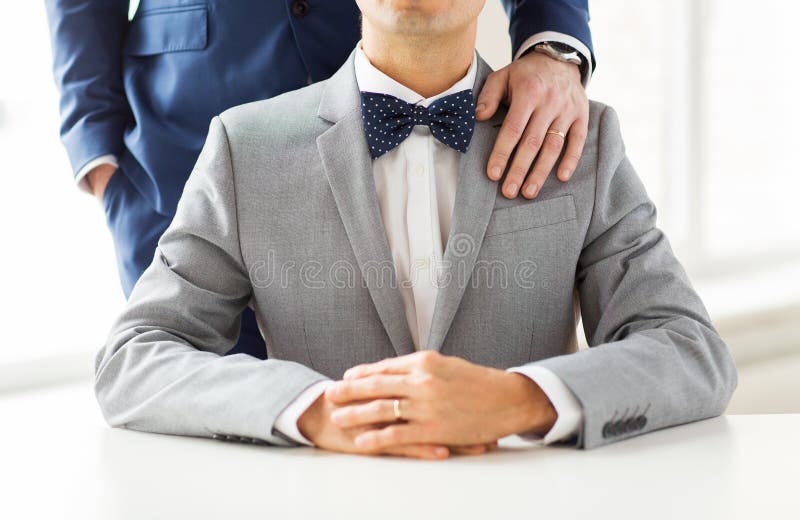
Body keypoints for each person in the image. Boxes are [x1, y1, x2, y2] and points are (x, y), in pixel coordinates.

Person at [94, 0, 737, 459]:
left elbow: (690, 350)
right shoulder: (245, 148)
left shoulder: (580, 142)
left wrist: (522, 400)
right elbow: (134, 359)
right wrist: (318, 412)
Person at [44, 0, 594, 358]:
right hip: (176, 144)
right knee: (207, 424)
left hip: (382, 84)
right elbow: (146, 368)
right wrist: (96, 151)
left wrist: (554, 44)